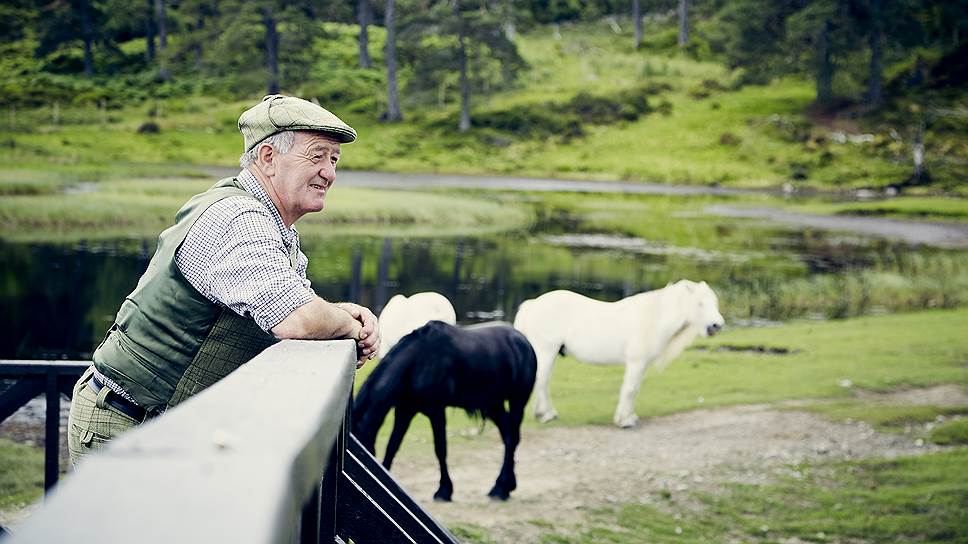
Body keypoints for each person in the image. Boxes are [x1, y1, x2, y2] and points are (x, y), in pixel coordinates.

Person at [67, 95, 379, 465]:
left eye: (333, 159)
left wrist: (342, 314)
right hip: (125, 425)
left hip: (164, 425)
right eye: (316, 156)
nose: (329, 172)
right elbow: (296, 318)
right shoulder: (238, 218)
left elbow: (290, 302)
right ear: (268, 158)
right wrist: (351, 326)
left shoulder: (274, 226)